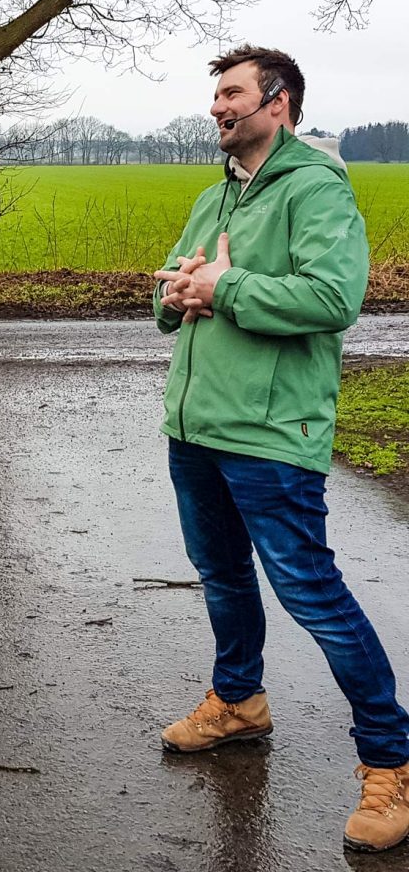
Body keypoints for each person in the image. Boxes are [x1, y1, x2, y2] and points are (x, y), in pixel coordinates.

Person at [152, 44, 409, 852]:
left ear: (279, 103)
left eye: (230, 94)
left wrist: (224, 288)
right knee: (222, 575)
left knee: (312, 594)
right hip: (195, 429)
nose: (216, 108)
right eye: (215, 97)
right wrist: (177, 290)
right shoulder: (212, 197)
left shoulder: (317, 189)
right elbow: (172, 291)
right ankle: (238, 703)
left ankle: (391, 760)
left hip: (272, 435)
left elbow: (334, 298)